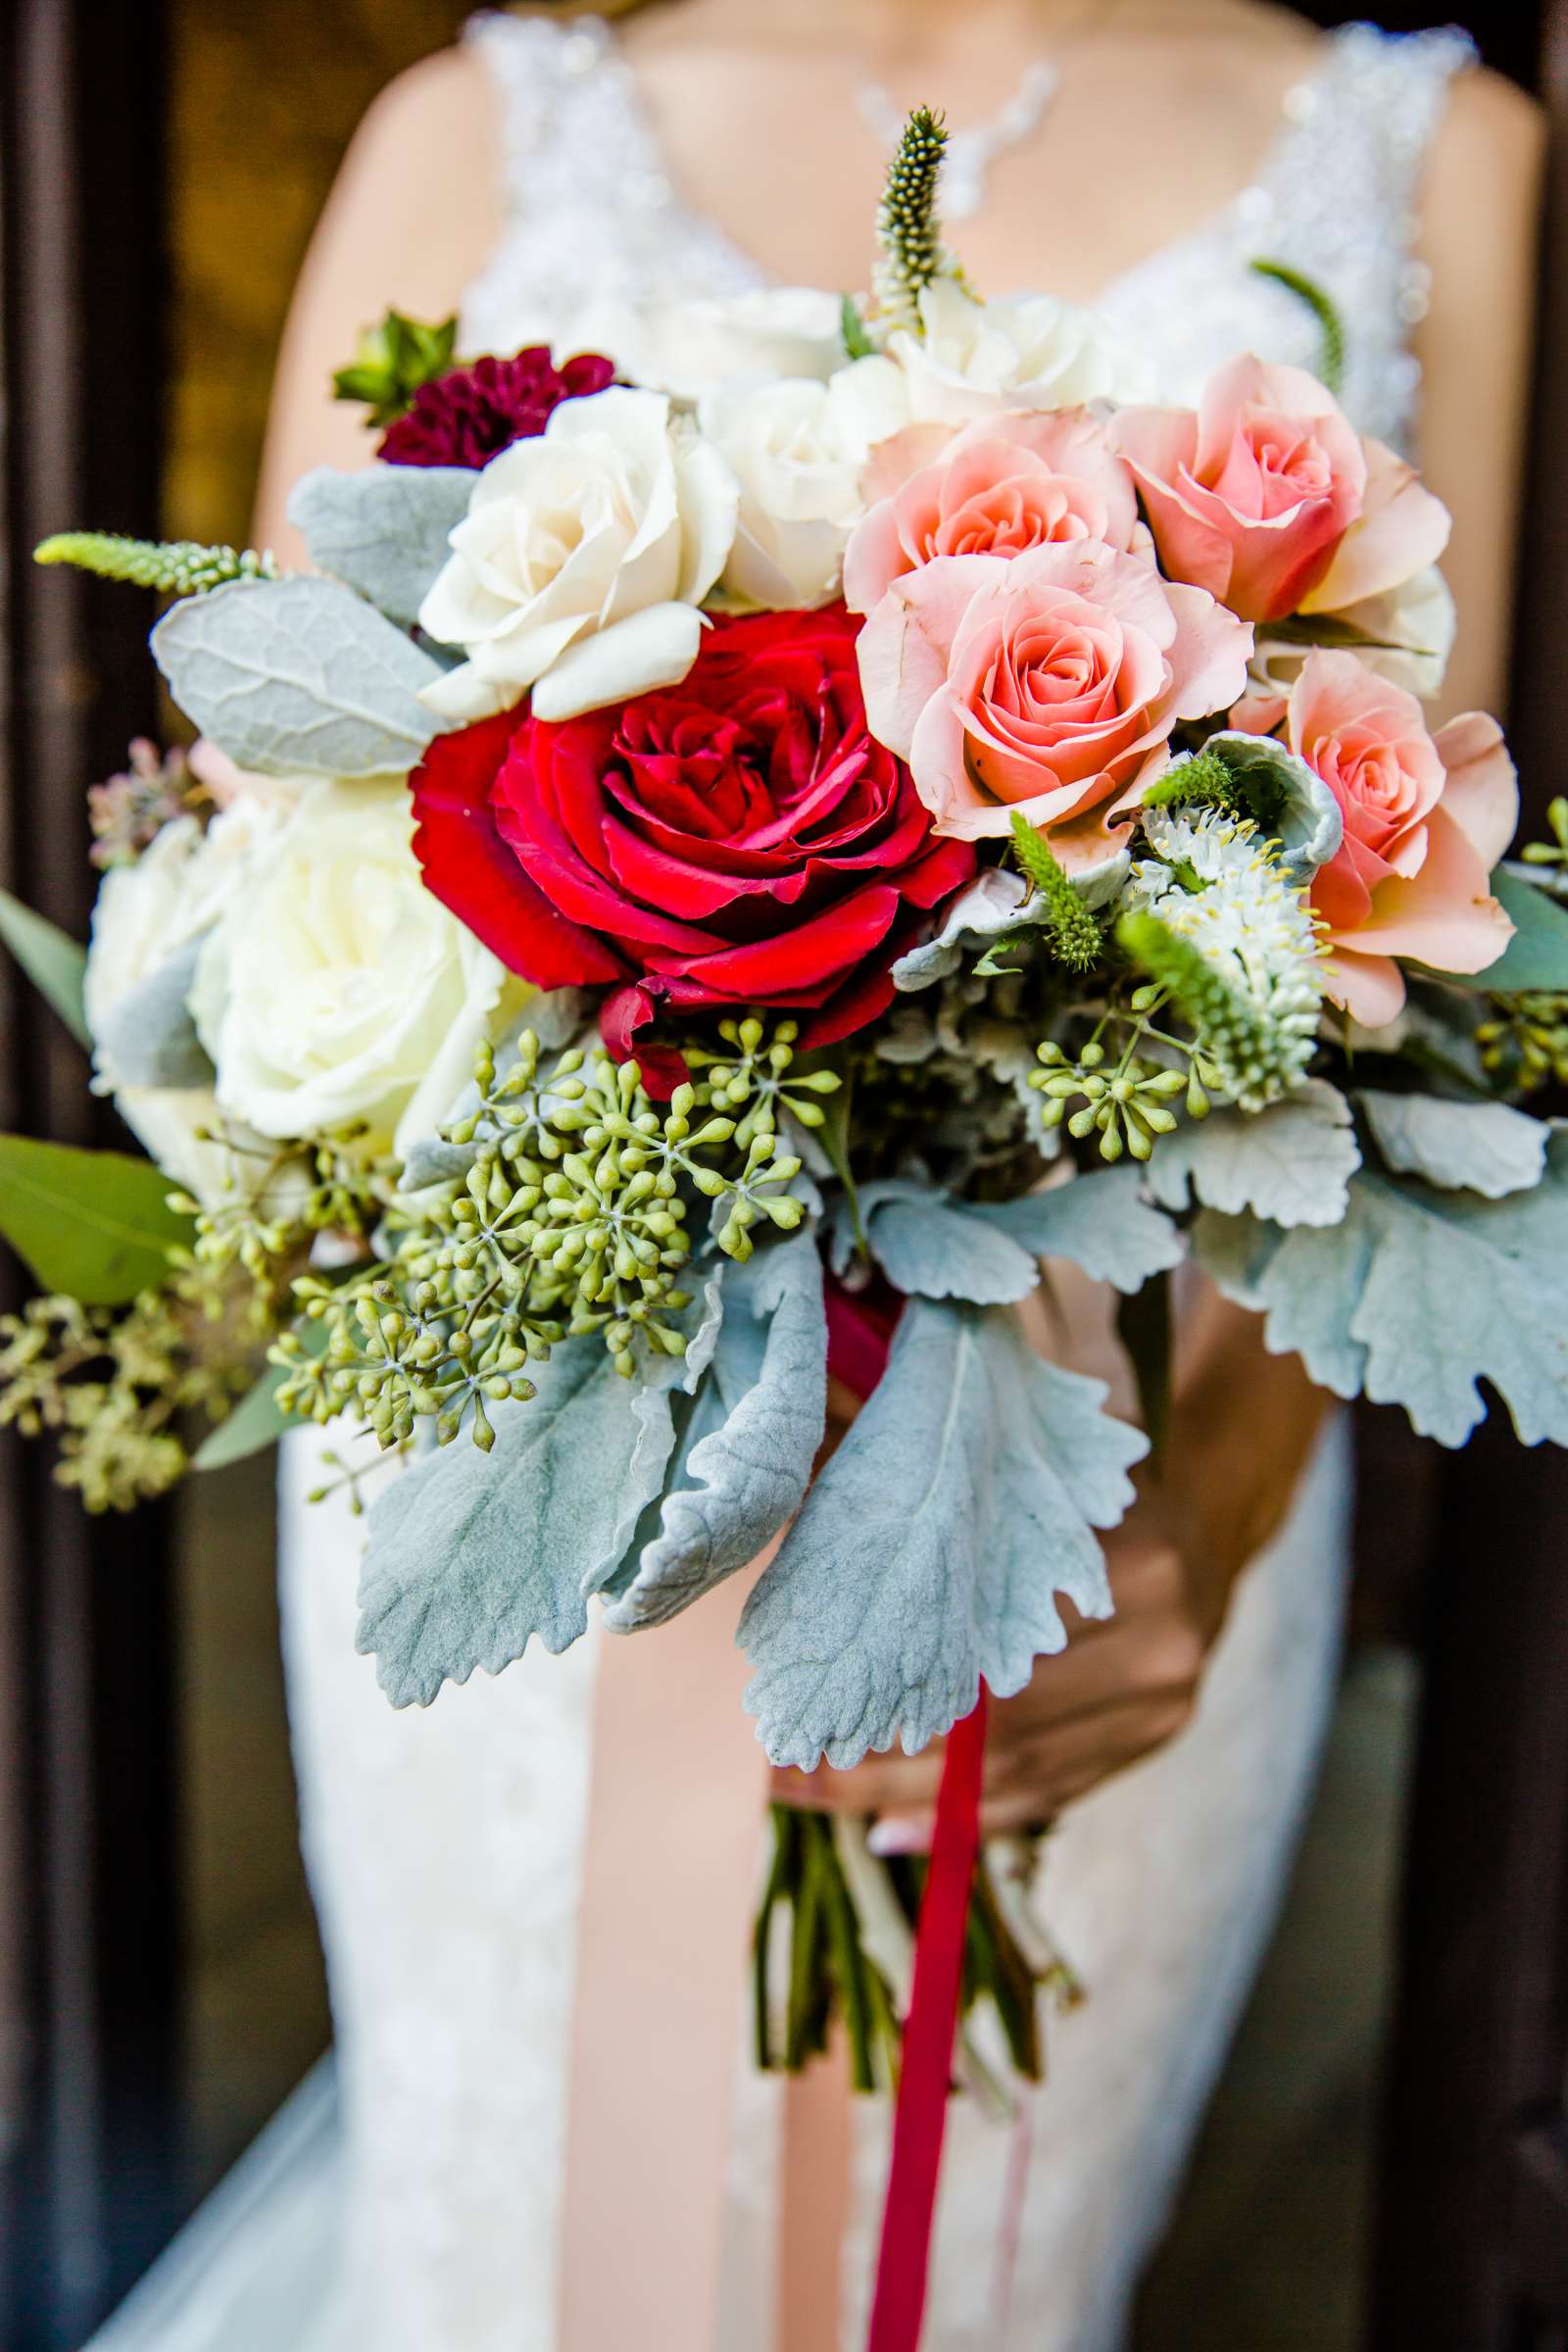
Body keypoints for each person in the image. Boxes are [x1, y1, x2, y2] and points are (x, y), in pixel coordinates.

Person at [251, 6, 1543, 2346]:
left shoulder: (1436, 158)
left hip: (1099, 1506)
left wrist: (1211, 1525)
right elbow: (277, 906)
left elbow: (1421, 926)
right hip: (536, 1477)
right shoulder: (472, 134)